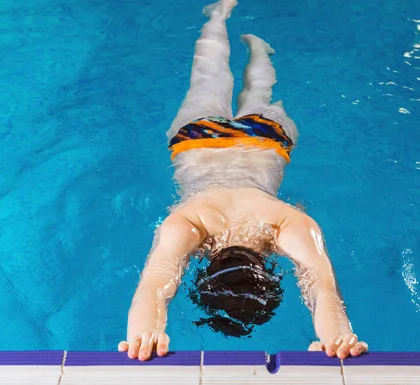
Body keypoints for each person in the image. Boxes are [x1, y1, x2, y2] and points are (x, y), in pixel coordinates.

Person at [118, 0, 368, 361]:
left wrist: (338, 336)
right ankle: (225, 23)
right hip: (198, 141)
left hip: (264, 141)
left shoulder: (284, 221)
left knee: (258, 91)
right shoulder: (191, 222)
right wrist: (146, 332)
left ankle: (251, 45)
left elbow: (322, 284)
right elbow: (156, 283)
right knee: (208, 75)